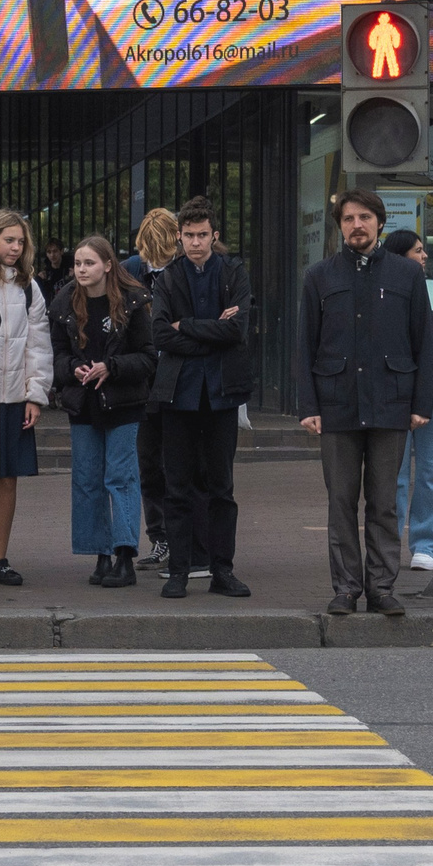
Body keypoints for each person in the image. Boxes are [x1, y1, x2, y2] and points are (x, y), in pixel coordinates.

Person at [298, 190, 433, 617]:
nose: (356, 225)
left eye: (364, 217)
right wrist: (308, 405)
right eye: (348, 219)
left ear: (379, 222)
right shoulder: (319, 276)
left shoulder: (407, 276)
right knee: (340, 500)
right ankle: (345, 589)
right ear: (340, 226)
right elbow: (305, 346)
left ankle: (381, 588)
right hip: (337, 403)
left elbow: (423, 343)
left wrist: (421, 403)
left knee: (383, 503)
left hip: (391, 403)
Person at [147, 197, 254, 599]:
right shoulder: (169, 277)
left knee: (221, 487)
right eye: (189, 235)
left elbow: (238, 330)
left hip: (222, 394)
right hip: (178, 394)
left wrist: (187, 326)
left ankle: (222, 571)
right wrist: (212, 332)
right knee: (177, 485)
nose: (195, 242)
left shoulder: (233, 271)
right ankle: (178, 571)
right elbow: (160, 335)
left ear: (215, 235)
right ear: (179, 236)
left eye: (202, 235)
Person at [52, 235, 155, 589]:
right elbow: (57, 357)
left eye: (89, 263)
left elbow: (147, 356)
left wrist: (111, 366)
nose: (81, 269)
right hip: (83, 404)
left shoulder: (132, 301)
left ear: (108, 266)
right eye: (78, 263)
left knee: (120, 477)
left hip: (123, 403)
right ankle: (100, 555)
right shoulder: (64, 302)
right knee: (87, 479)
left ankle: (125, 556)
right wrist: (73, 370)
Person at [0, 209, 54, 586]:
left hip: (15, 398)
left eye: (21, 241)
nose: (16, 247)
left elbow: (39, 346)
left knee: (7, 480)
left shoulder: (30, 287)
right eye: (9, 240)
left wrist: (35, 395)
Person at [384, 228, 433, 572]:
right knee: (394, 473)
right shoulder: (385, 290)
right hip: (396, 394)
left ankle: (427, 543)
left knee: (432, 470)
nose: (424, 257)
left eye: (424, 250)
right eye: (417, 251)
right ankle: (388, 542)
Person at [123, 208, 180, 572]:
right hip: (143, 378)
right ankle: (160, 538)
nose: (153, 261)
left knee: (177, 461)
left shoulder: (185, 266)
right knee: (148, 463)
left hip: (178, 374)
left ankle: (180, 537)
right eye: (149, 253)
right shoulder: (130, 268)